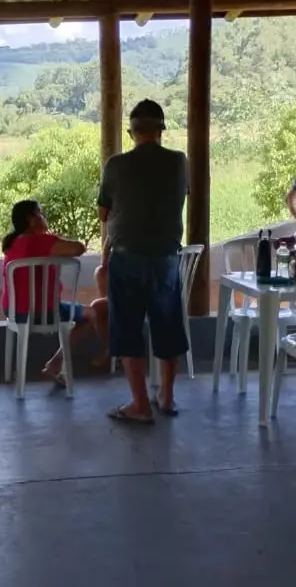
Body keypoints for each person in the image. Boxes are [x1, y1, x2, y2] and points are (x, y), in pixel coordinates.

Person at [98, 99, 189, 423]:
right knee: (168, 328)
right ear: (161, 131)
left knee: (127, 330)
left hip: (127, 258)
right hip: (165, 258)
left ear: (131, 132)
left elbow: (104, 211)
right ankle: (166, 396)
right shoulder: (179, 162)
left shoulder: (116, 165)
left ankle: (139, 404)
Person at [0, 199, 95, 384]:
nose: (44, 217)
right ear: (31, 219)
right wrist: (56, 239)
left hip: (13, 312)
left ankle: (17, 374)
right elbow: (79, 248)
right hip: (45, 313)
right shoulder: (43, 241)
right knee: (91, 313)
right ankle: (56, 362)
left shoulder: (11, 244)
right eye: (41, 213)